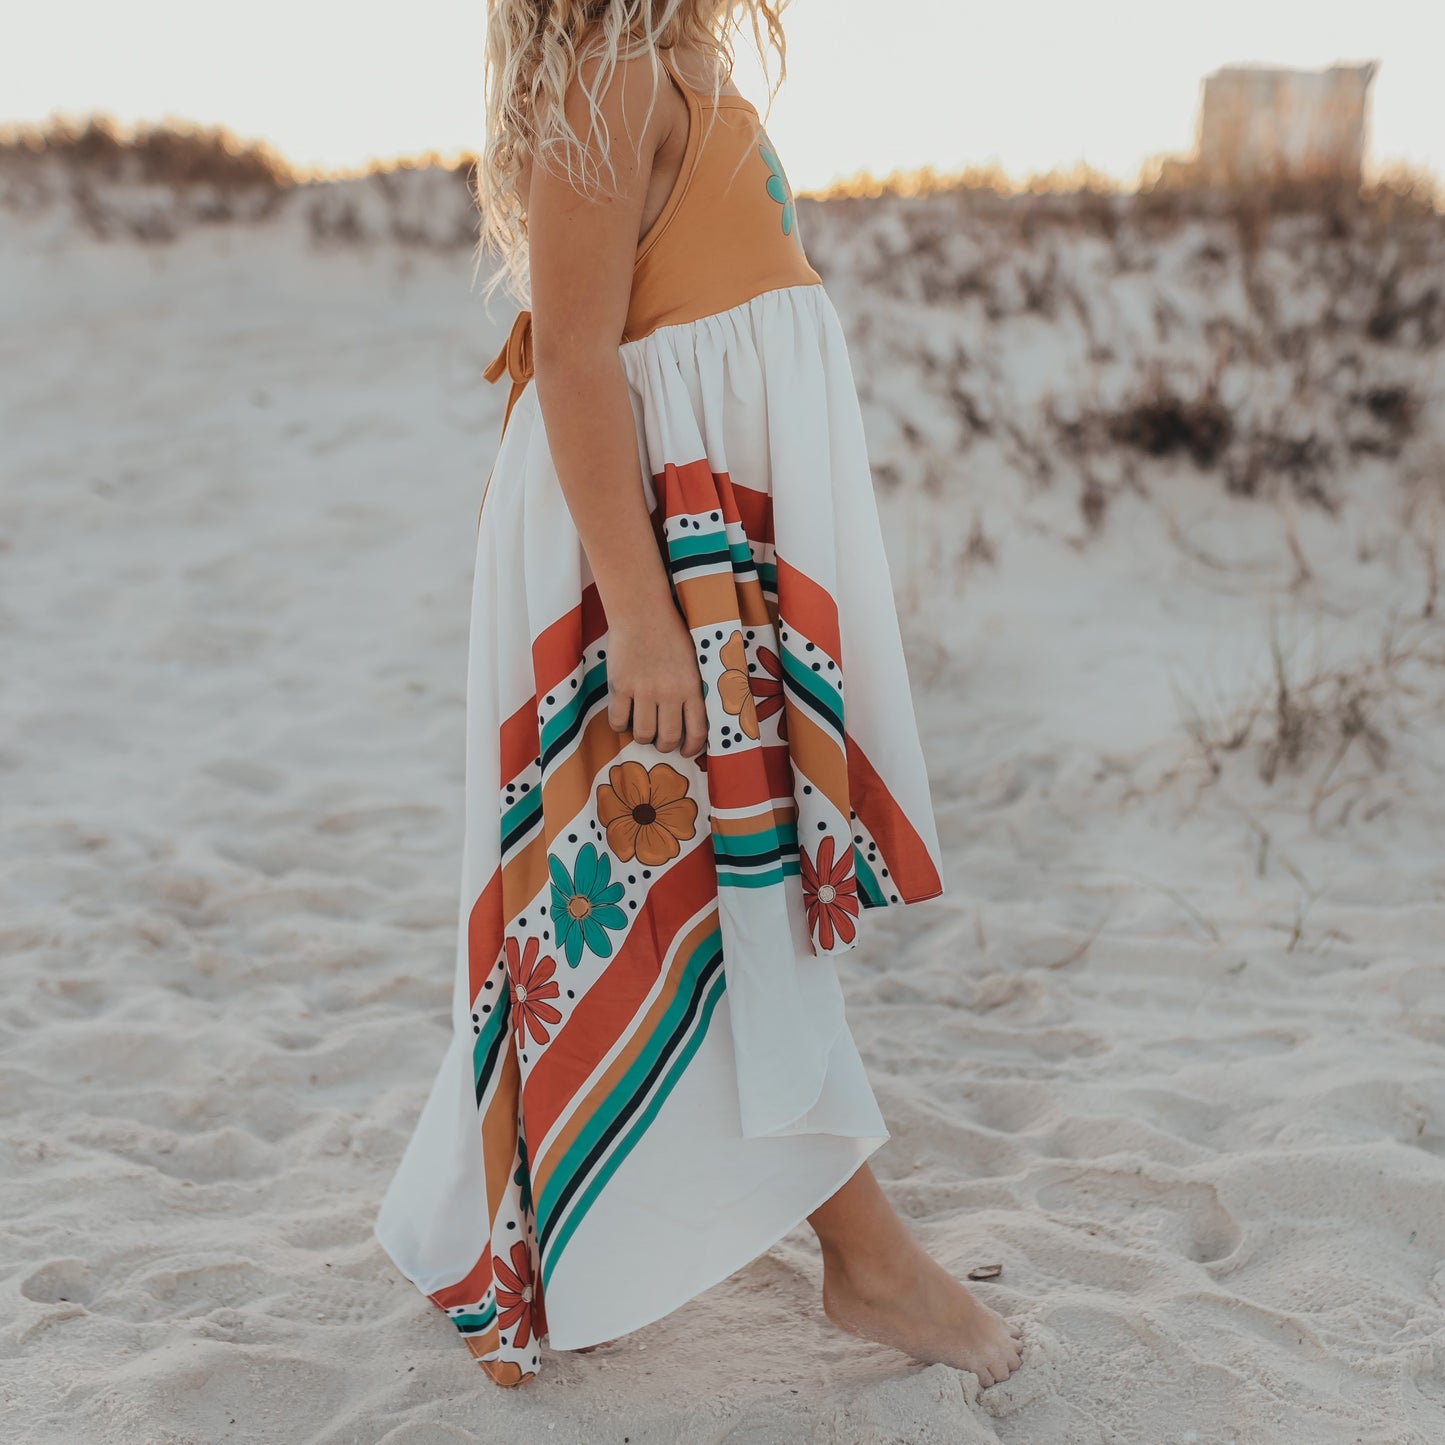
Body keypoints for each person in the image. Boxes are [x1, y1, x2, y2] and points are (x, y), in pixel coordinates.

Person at [373, 0, 1025, 1391]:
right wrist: (646, 620)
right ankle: (866, 1257)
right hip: (652, 567)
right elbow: (569, 355)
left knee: (684, 890)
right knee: (714, 882)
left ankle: (501, 1212)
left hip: (709, 554)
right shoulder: (610, 79)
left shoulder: (685, 74)